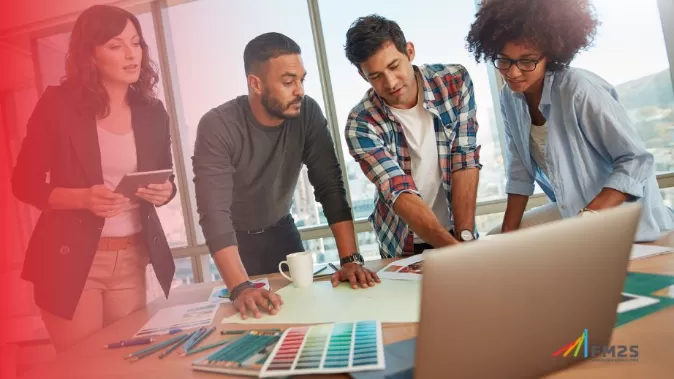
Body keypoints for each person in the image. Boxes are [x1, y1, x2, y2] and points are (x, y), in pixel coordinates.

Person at [11, 5, 177, 352]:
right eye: (117, 46)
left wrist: (166, 190)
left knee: (127, 363)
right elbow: (23, 182)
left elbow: (165, 176)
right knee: (84, 367)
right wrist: (83, 199)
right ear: (90, 54)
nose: (132, 54)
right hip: (69, 260)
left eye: (136, 43)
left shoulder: (152, 111)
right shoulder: (57, 104)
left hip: (131, 257)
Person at [192, 32, 380, 320]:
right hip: (234, 240)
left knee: (303, 312)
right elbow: (213, 213)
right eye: (288, 82)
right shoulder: (217, 126)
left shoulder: (308, 114)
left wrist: (350, 260)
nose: (300, 91)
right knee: (251, 319)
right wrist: (240, 286)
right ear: (256, 84)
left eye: (302, 80)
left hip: (281, 231)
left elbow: (330, 185)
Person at [465, 0, 674, 241]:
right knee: (495, 237)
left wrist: (590, 217)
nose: (513, 73)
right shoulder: (509, 98)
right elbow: (520, 171)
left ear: (551, 56)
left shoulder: (579, 90)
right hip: (575, 212)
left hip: (625, 216)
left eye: (527, 61)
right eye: (504, 60)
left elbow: (636, 161)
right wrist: (507, 237)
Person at [343, 15, 482, 257]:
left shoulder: (454, 82)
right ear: (363, 76)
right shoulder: (361, 123)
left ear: (409, 51)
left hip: (458, 233)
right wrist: (456, 252)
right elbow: (398, 190)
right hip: (402, 245)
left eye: (394, 66)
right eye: (375, 76)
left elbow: (465, 159)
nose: (390, 82)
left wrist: (464, 240)